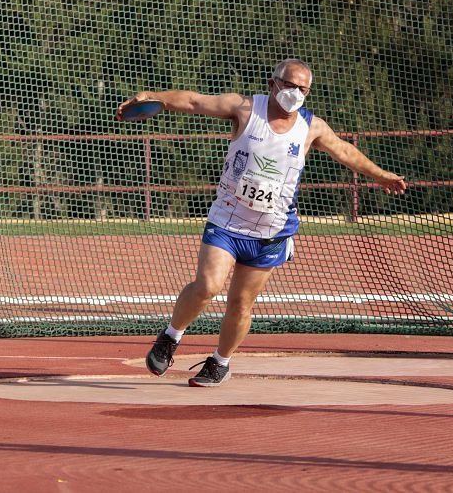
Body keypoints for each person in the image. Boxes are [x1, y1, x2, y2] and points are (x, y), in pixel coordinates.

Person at [116, 59, 407, 387]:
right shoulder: (243, 108)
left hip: (270, 232)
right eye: (290, 85)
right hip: (227, 222)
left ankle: (220, 363)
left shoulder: (311, 127)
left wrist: (382, 177)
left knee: (241, 303)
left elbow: (345, 152)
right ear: (273, 83)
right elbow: (195, 100)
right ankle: (171, 336)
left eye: (303, 89)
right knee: (208, 287)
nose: (294, 93)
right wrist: (152, 96)